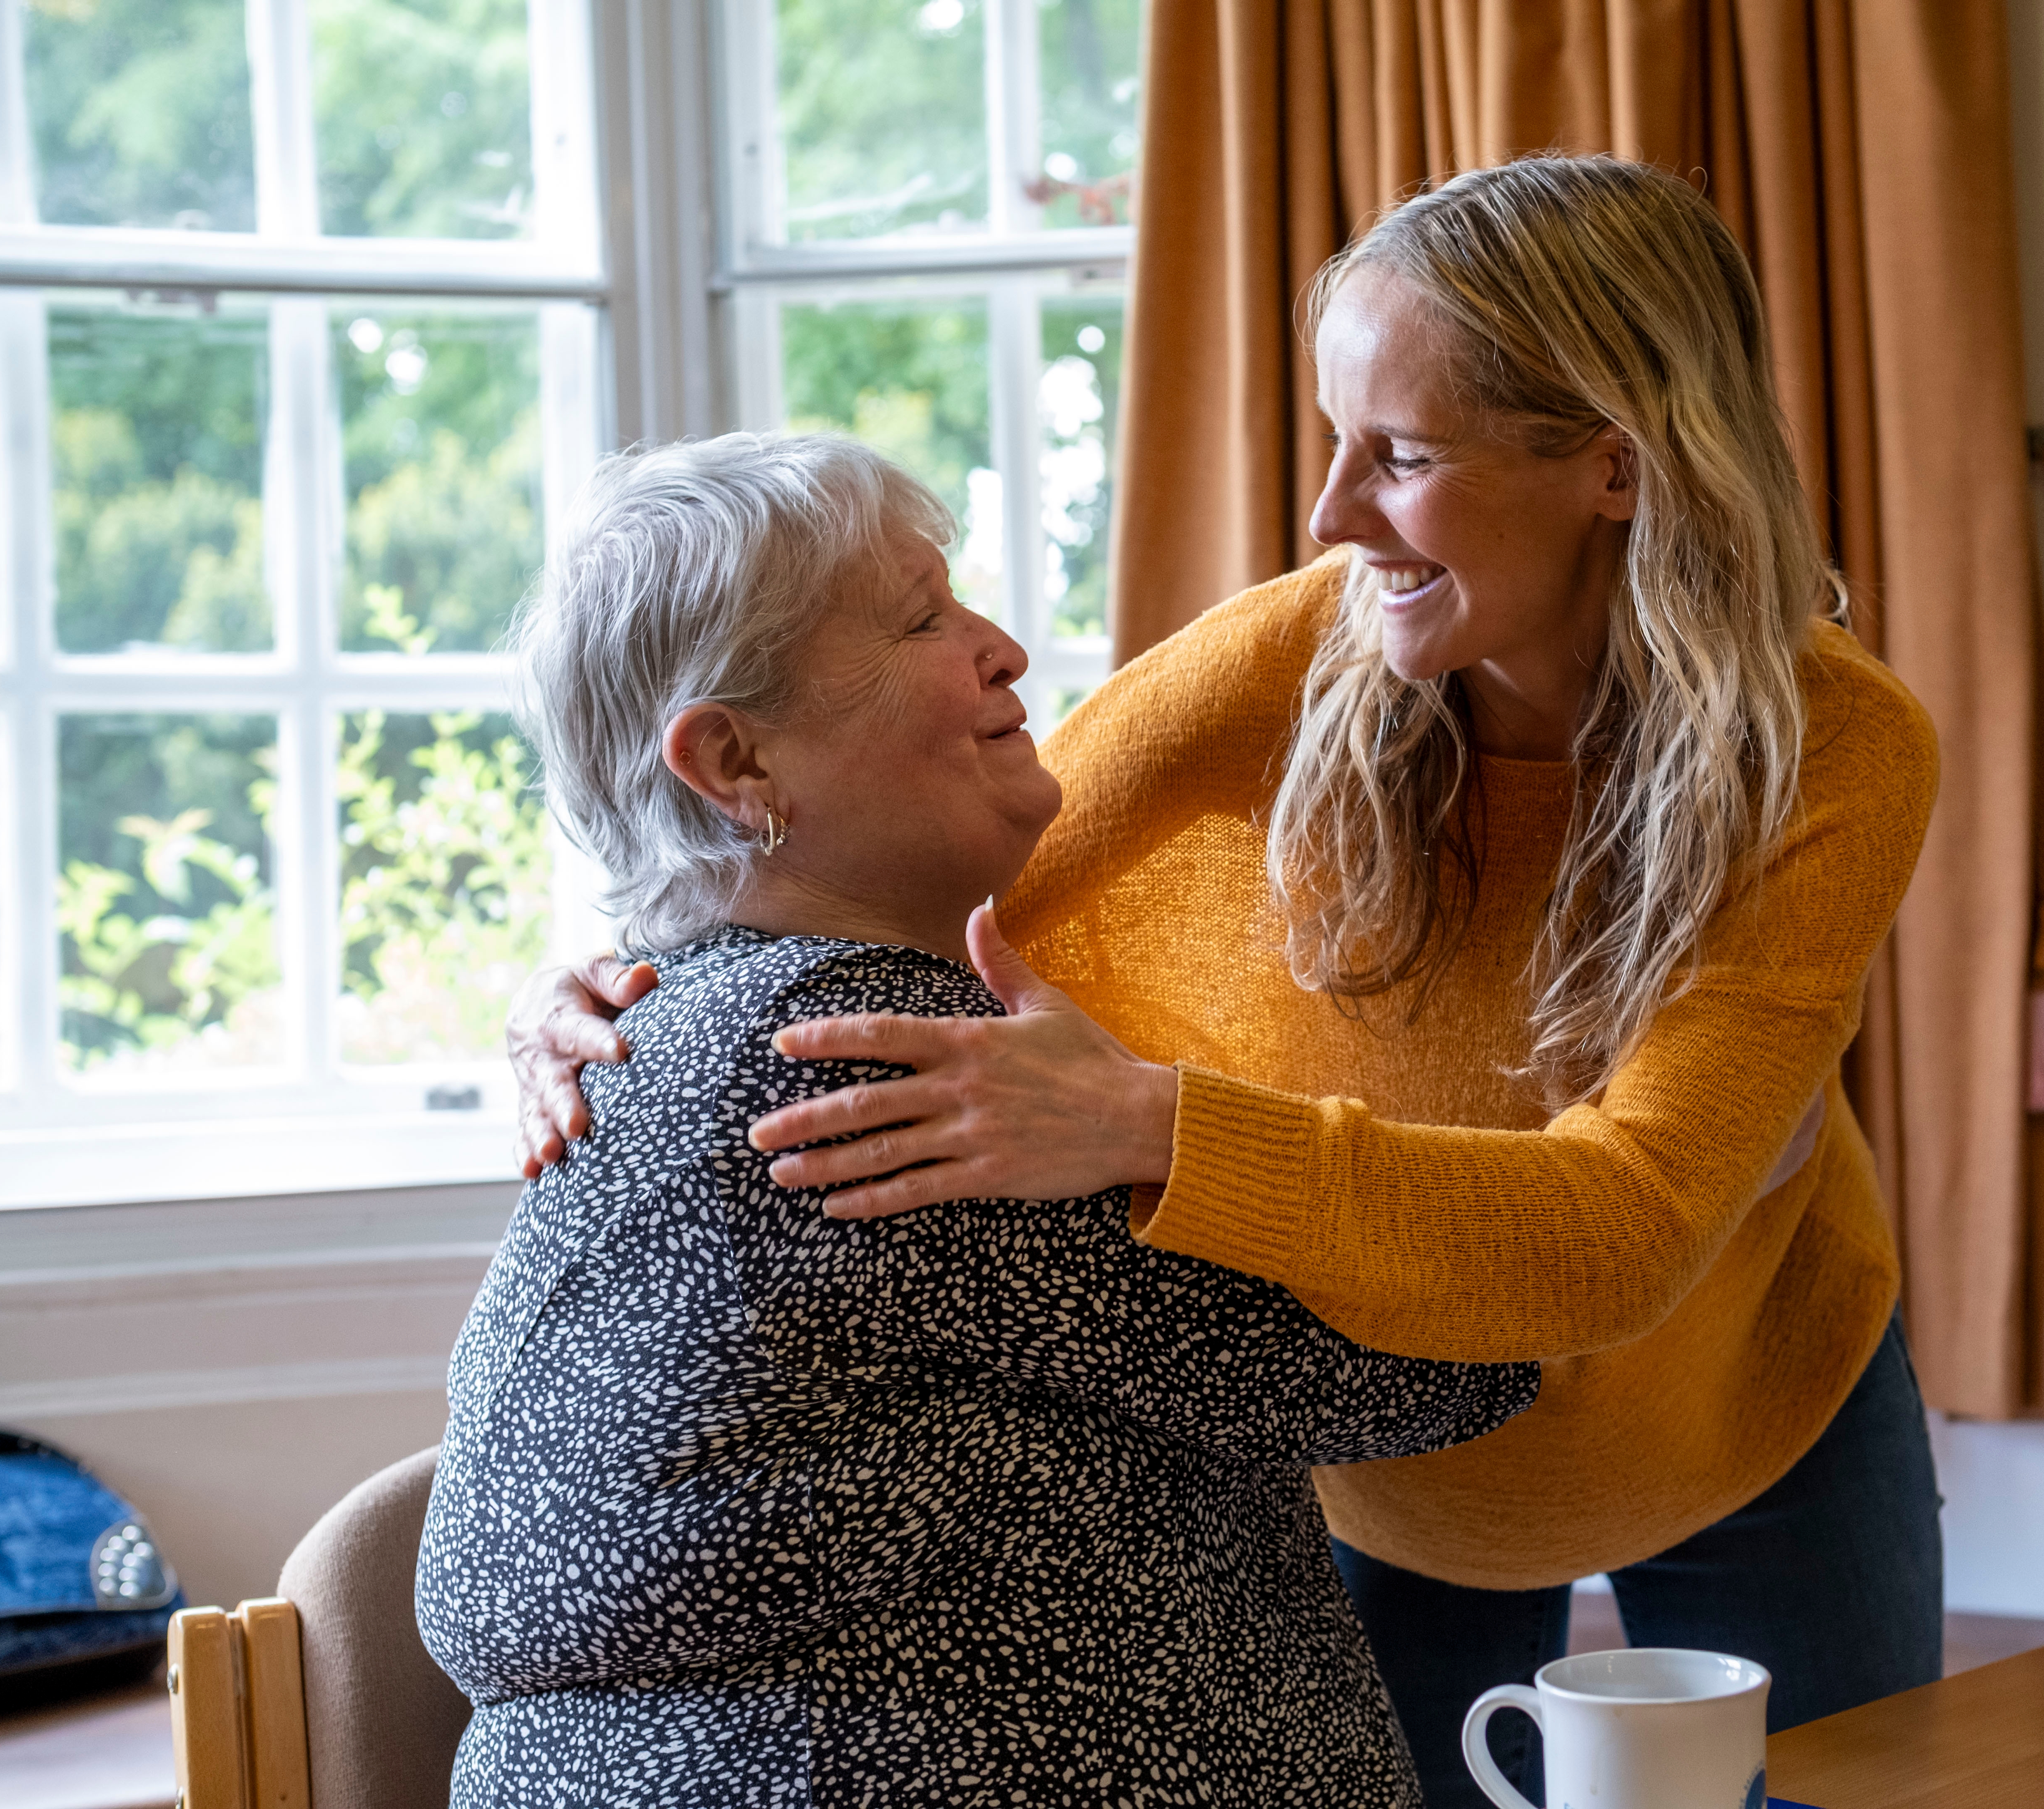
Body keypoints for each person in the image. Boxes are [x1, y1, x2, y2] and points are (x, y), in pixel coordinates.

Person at [512, 155, 1943, 1807]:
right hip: (1380, 1444)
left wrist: (1151, 1127)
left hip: (1741, 1396)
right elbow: (894, 860)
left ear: (1611, 470)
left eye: (1398, 457)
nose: (1330, 515)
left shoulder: (1834, 748)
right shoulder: (1310, 645)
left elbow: (1618, 1232)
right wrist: (620, 981)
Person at [422, 432, 1538, 1806]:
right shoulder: (855, 1061)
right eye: (920, 619)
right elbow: (1431, 1367)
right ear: (733, 758)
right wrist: (1650, 1165)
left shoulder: (664, 1029)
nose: (1003, 646)